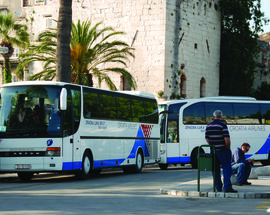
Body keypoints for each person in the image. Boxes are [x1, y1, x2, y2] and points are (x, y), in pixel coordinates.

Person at [205, 110, 237, 193]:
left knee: (215, 169)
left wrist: (212, 145)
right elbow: (227, 139)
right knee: (226, 168)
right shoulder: (222, 125)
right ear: (221, 116)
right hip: (223, 150)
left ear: (214, 116)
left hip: (213, 150)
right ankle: (227, 187)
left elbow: (207, 138)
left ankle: (218, 187)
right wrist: (228, 148)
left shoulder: (208, 126)